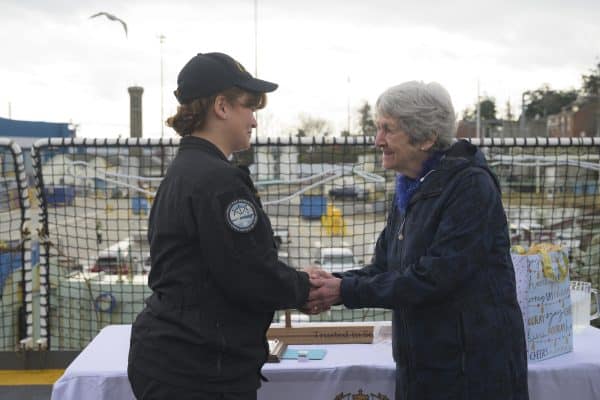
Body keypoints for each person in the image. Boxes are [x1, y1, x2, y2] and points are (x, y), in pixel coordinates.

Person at [306, 81, 529, 400]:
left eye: (387, 130)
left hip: (471, 376)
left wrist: (344, 290)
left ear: (426, 138)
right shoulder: (411, 189)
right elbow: (383, 268)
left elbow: (435, 277)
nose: (377, 141)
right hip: (425, 371)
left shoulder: (470, 188)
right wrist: (333, 283)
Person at [128, 52, 311, 400]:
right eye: (249, 106)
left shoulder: (186, 170)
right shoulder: (219, 181)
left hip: (174, 359)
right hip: (199, 371)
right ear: (222, 107)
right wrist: (306, 288)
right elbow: (250, 273)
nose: (254, 121)